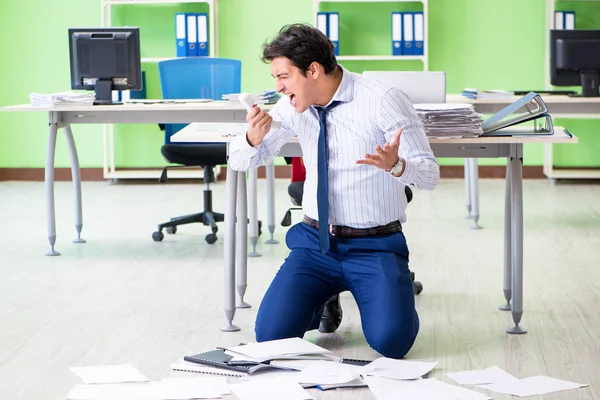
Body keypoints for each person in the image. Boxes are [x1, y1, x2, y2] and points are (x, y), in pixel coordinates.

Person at [228, 23, 440, 359]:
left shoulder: (383, 100)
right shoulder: (295, 105)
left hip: (375, 245)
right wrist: (252, 138)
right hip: (315, 244)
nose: (278, 88)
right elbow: (240, 160)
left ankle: (386, 294)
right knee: (270, 337)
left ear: (312, 70)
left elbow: (429, 175)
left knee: (392, 342)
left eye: (283, 76)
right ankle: (323, 295)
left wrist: (396, 165)